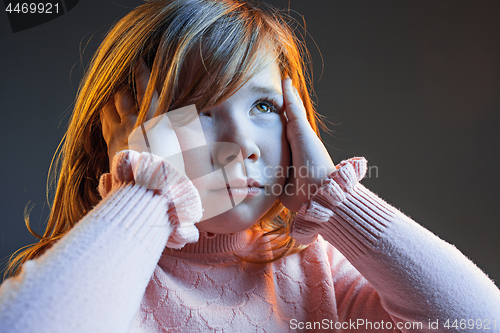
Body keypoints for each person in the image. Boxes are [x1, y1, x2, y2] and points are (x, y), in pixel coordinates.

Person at [1, 0, 499, 332]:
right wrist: (149, 190)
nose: (243, 145)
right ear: (122, 142)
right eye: (197, 110)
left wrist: (335, 201)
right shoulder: (100, 270)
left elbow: (482, 321)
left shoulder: (318, 271)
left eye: (264, 107)